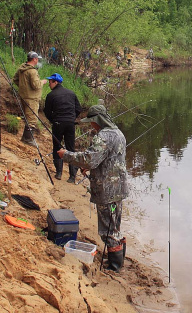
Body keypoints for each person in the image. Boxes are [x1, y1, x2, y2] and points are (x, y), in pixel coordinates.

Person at [57, 104, 128, 272]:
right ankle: (117, 258)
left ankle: (115, 266)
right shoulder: (119, 133)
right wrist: (92, 167)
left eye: (92, 122)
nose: (91, 125)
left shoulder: (103, 136)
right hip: (119, 189)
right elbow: (106, 159)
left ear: (98, 120)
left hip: (107, 191)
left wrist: (65, 155)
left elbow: (89, 159)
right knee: (114, 223)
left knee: (107, 228)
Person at [44, 73, 81, 182]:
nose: (49, 84)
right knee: (71, 148)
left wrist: (53, 120)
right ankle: (72, 176)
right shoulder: (71, 93)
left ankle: (59, 173)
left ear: (55, 82)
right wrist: (72, 118)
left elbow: (47, 112)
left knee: (57, 146)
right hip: (70, 124)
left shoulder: (51, 95)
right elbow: (78, 109)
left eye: (50, 82)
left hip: (58, 124)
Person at [12, 51, 47, 147]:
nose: (38, 60)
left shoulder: (21, 68)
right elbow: (36, 85)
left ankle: (26, 138)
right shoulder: (32, 71)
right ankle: (27, 139)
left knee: (28, 117)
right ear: (34, 59)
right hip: (32, 98)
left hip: (23, 96)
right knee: (32, 119)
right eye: (37, 59)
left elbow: (15, 79)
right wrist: (43, 82)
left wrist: (24, 87)